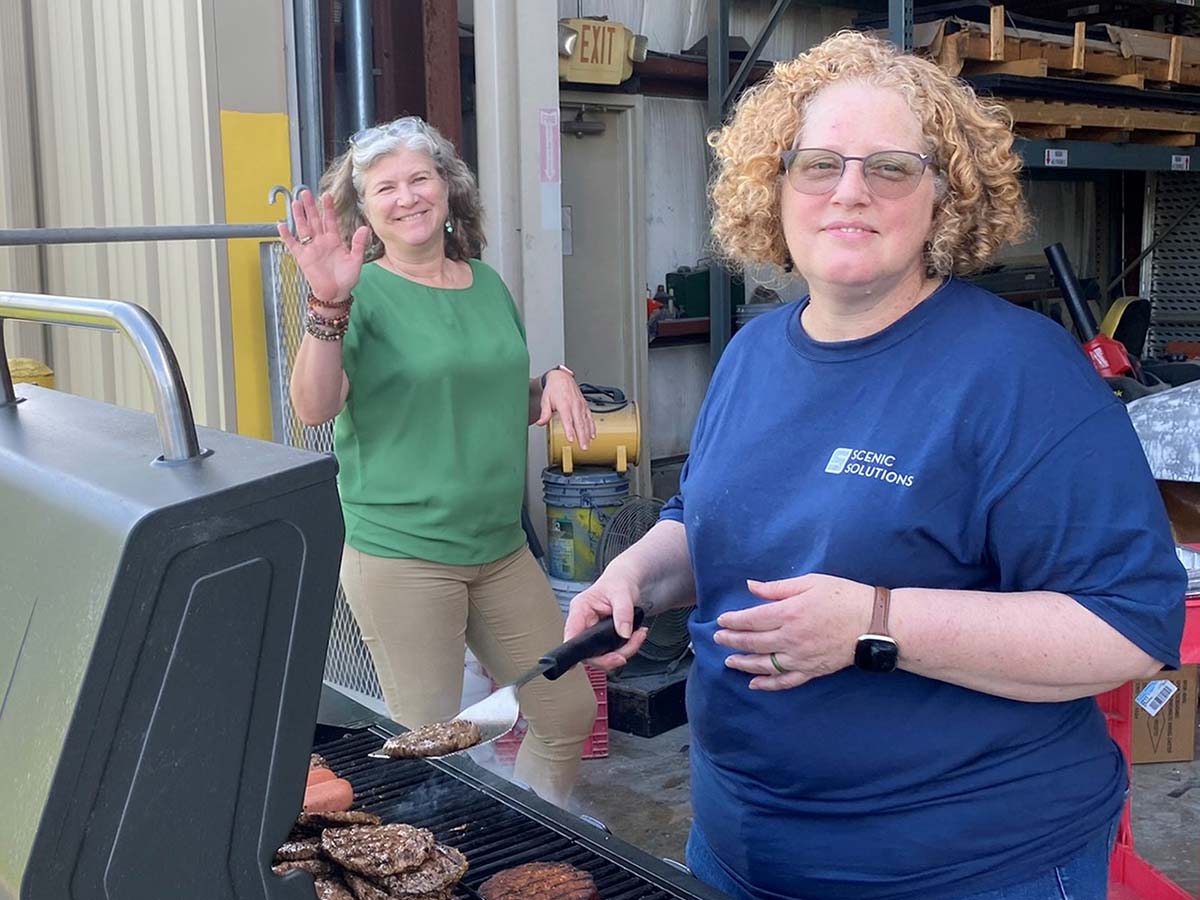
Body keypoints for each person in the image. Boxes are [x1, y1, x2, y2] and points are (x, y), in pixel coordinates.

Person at [565, 30, 1186, 900]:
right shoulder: (753, 354)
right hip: (737, 848)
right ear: (774, 185)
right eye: (819, 164)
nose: (849, 191)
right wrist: (637, 575)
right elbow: (709, 519)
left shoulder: (1017, 371)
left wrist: (874, 620)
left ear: (945, 195)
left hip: (968, 867)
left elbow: (1130, 626)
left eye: (890, 168)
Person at [281, 116, 597, 807]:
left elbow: (491, 393)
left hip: (499, 548)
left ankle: (522, 849)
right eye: (385, 186)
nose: (407, 196)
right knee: (432, 756)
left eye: (419, 178)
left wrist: (555, 380)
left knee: (566, 713)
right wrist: (328, 306)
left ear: (448, 188)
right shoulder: (357, 293)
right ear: (363, 209)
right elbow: (314, 407)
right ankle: (433, 873)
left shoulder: (484, 283)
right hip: (404, 555)